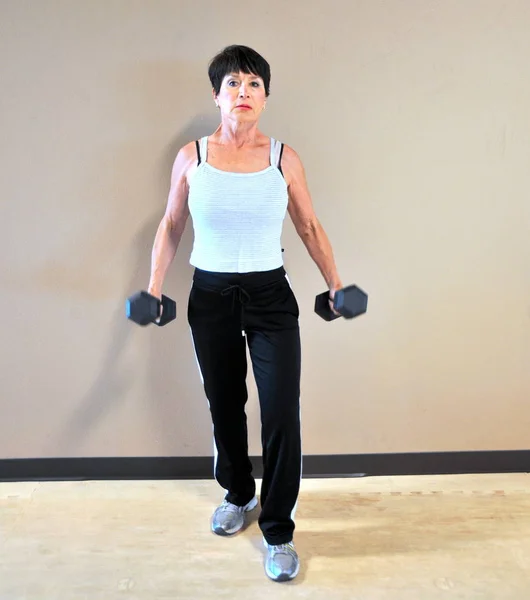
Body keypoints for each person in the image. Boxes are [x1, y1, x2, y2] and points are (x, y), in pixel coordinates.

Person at [146, 45, 343, 582]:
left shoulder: (284, 157)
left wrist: (336, 285)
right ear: (217, 94)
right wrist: (154, 288)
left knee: (281, 411)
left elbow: (308, 225)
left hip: (269, 295)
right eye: (233, 83)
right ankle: (238, 494)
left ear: (265, 96)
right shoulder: (193, 157)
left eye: (254, 84)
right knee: (225, 403)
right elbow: (170, 225)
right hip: (209, 296)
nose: (244, 93)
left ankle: (278, 530)